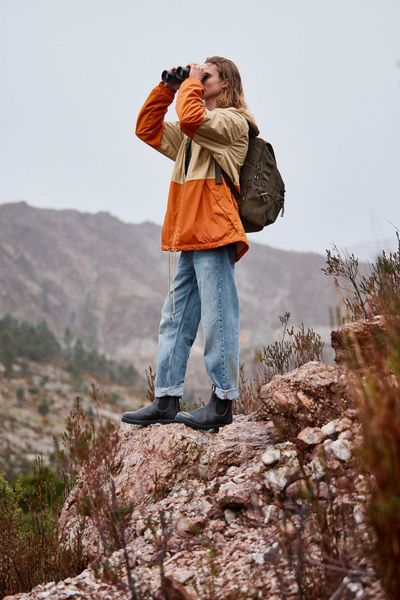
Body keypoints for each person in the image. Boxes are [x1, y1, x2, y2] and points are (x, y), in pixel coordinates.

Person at [122, 56, 259, 431]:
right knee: (175, 318)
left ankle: (222, 403)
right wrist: (167, 88)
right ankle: (166, 399)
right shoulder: (192, 132)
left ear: (225, 84)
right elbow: (147, 128)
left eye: (206, 75)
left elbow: (192, 119)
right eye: (197, 75)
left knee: (218, 319)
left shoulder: (233, 123)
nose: (197, 78)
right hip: (191, 235)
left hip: (215, 233)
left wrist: (190, 84)